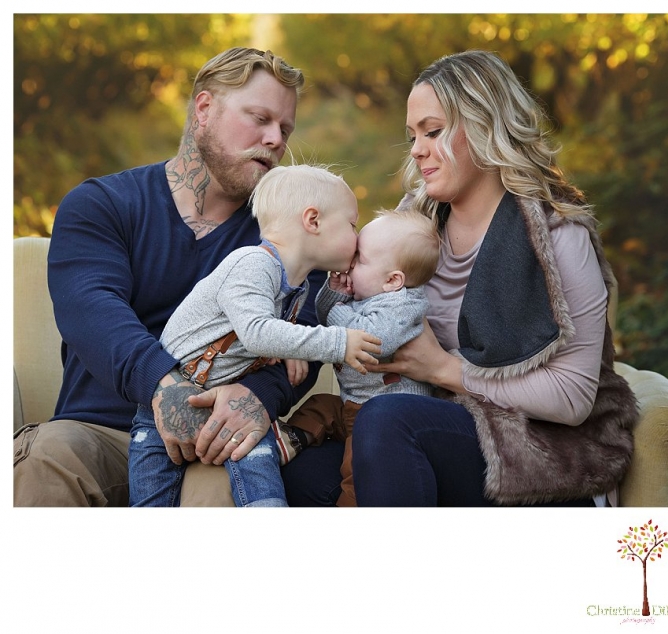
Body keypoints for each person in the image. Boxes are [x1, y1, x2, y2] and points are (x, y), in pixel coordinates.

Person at [281, 49, 638, 507]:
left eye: (433, 131)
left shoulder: (556, 235)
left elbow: (573, 399)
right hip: (434, 429)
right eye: (412, 135)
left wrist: (442, 369)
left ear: (487, 126)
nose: (416, 149)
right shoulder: (415, 223)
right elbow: (341, 284)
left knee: (388, 423)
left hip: (536, 457)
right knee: (299, 475)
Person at [13, 47, 324, 507]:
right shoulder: (101, 204)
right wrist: (163, 387)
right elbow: (91, 308)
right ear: (203, 109)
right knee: (47, 458)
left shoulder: (291, 234)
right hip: (99, 434)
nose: (276, 138)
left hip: (213, 445)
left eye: (285, 129)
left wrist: (259, 395)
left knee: (226, 494)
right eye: (259, 118)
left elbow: (304, 337)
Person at [128, 164, 381, 506]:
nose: (358, 234)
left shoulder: (299, 286)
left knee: (263, 485)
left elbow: (265, 329)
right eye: (352, 224)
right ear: (313, 221)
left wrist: (291, 340)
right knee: (151, 503)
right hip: (164, 410)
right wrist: (338, 343)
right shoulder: (252, 264)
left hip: (228, 408)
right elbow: (257, 332)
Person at [283, 207, 439, 506]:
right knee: (321, 405)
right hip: (351, 407)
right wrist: (333, 291)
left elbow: (370, 339)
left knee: (355, 468)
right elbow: (325, 315)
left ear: (393, 280)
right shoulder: (371, 294)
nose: (350, 264)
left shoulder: (403, 305)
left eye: (360, 260)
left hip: (380, 420)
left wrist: (337, 309)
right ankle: (290, 439)